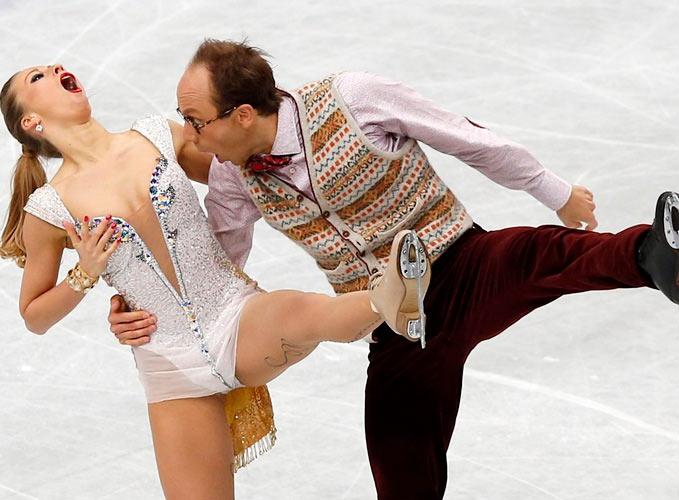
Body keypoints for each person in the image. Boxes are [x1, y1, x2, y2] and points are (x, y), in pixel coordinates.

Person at [107, 39, 679, 500]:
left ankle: (657, 254)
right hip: (395, 321)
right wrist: (146, 303)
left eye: (196, 119)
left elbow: (470, 140)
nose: (189, 135)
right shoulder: (234, 175)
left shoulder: (353, 99)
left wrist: (557, 193)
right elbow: (217, 264)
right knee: (397, 451)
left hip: (458, 260)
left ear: (244, 113)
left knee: (541, 256)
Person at [0, 63, 433, 500]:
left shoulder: (156, 135)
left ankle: (388, 297)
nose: (56, 68)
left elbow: (245, 173)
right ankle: (386, 298)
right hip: (169, 368)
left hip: (235, 314)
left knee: (301, 312)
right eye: (37, 78)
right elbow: (34, 316)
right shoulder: (49, 209)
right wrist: (84, 274)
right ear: (32, 122)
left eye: (54, 66)